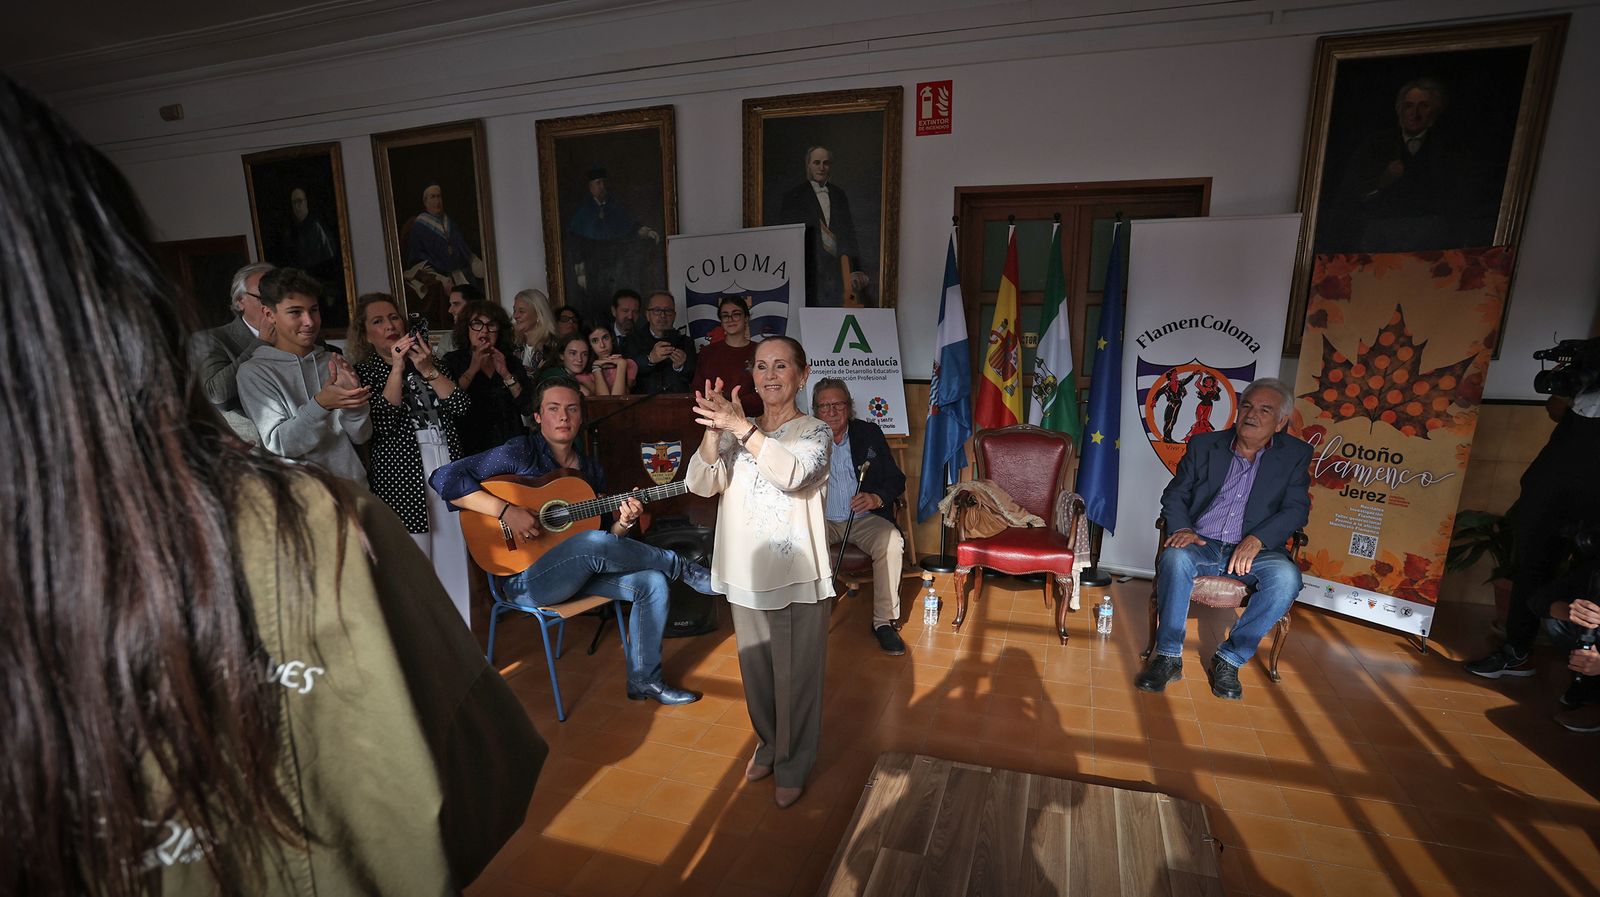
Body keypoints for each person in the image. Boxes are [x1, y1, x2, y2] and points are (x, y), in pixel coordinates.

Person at [1, 75, 542, 897]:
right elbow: (283, 438)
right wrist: (340, 402)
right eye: (291, 311)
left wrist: (391, 387)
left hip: (362, 487)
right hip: (331, 501)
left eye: (308, 312)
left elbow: (381, 427)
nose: (303, 321)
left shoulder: (339, 395)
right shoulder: (263, 387)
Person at [430, 377, 716, 705]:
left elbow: (607, 542)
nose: (563, 417)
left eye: (571, 409)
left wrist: (624, 522)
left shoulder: (589, 469)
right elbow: (443, 477)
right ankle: (682, 567)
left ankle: (644, 681)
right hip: (524, 580)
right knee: (594, 544)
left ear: (581, 417)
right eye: (553, 409)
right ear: (538, 417)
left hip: (577, 573)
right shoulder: (520, 452)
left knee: (651, 582)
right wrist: (506, 510)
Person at [686, 337, 834, 808]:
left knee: (797, 681)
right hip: (744, 574)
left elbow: (791, 474)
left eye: (782, 366)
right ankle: (770, 745)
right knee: (757, 676)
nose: (770, 375)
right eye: (762, 366)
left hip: (796, 575)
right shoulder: (733, 431)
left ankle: (794, 762)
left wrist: (741, 428)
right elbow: (700, 483)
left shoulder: (816, 432)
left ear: (802, 374)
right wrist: (714, 429)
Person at [1135, 378, 1311, 701]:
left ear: (1281, 421)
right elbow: (1176, 495)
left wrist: (1259, 538)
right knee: (1175, 557)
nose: (1251, 415)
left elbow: (1297, 509)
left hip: (1256, 550)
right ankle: (1169, 656)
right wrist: (1182, 527)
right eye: (1247, 406)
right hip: (1203, 541)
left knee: (1287, 578)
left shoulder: (1295, 456)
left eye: (1264, 410)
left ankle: (1230, 658)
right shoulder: (1205, 445)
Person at [1466, 383, 1600, 706]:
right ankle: (1516, 652)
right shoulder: (1591, 360)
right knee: (1532, 563)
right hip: (1558, 473)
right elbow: (1555, 407)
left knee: (1591, 583)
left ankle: (1586, 679)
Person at [348, 292, 474, 627]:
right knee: (414, 564)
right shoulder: (363, 373)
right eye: (378, 321)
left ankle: (460, 643)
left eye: (393, 317)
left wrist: (428, 369)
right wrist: (397, 368)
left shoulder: (431, 361)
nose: (389, 325)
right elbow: (382, 425)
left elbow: (461, 408)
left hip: (446, 465)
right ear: (365, 334)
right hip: (401, 476)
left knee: (453, 559)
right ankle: (425, 646)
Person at [1321, 77, 1497, 253]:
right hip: (1380, 238)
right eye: (1409, 106)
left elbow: (1462, 199)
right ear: (1400, 111)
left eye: (1424, 106)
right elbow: (1350, 195)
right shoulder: (1376, 145)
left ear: (1434, 112)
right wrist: (1383, 179)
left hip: (1433, 240)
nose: (1415, 113)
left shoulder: (1449, 149)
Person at [238, 267, 372, 481]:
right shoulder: (254, 372)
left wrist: (355, 403)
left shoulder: (333, 361)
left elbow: (361, 436)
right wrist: (321, 404)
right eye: (295, 312)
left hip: (354, 489)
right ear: (269, 314)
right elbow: (281, 445)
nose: (309, 321)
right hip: (305, 501)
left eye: (314, 310)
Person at [813, 379, 908, 655]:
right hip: (823, 519)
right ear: (816, 410)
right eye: (824, 406)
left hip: (864, 519)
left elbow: (895, 479)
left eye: (838, 404)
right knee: (797, 543)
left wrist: (876, 497)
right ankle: (809, 617)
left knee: (891, 543)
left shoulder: (868, 433)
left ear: (849, 407)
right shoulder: (807, 435)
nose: (831, 411)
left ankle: (884, 623)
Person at [188, 262, 275, 444]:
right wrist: (261, 343)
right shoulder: (211, 339)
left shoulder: (300, 334)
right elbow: (216, 393)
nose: (272, 305)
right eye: (263, 297)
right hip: (251, 447)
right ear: (239, 301)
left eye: (277, 297)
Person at [777, 145, 871, 307]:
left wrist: (855, 269)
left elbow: (849, 234)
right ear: (808, 165)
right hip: (807, 275)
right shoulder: (793, 196)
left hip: (838, 276)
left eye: (825, 163)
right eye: (816, 162)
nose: (821, 167)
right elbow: (787, 240)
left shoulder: (839, 195)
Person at [565, 167, 661, 321]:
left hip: (615, 263)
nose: (602, 186)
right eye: (598, 183)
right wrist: (580, 270)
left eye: (603, 182)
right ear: (590, 187)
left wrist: (646, 231)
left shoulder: (614, 205)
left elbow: (629, 224)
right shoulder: (584, 211)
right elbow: (577, 242)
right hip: (593, 266)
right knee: (596, 303)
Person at [442, 300, 535, 456]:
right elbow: (449, 406)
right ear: (466, 328)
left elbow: (527, 408)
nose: (484, 331)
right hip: (470, 450)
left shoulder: (511, 361)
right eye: (477, 324)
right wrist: (472, 369)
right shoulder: (452, 361)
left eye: (491, 325)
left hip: (511, 448)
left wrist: (506, 374)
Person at [402, 182, 484, 328]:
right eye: (433, 197)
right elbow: (417, 258)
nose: (437, 201)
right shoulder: (419, 226)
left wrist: (471, 259)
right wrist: (440, 276)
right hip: (434, 271)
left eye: (439, 196)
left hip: (457, 270)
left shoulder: (449, 222)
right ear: (426, 202)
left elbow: (461, 247)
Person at [692, 294, 762, 417]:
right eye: (725, 316)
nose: (730, 319)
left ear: (746, 317)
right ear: (721, 321)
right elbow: (698, 388)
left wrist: (730, 406)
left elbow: (764, 391)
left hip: (752, 420)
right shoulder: (707, 352)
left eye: (736, 314)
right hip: (715, 419)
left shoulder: (760, 351)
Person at [626, 290, 697, 394]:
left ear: (674, 315)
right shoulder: (633, 339)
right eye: (657, 310)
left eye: (668, 310)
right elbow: (627, 371)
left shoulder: (685, 341)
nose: (663, 315)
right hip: (643, 402)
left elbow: (695, 375)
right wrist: (650, 359)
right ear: (647, 315)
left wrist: (680, 366)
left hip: (677, 403)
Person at [510, 287, 559, 371]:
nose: (515, 316)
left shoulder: (553, 346)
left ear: (538, 314)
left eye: (521, 311)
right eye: (515, 310)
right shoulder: (512, 344)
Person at [586, 322, 637, 397]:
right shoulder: (584, 372)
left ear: (612, 338)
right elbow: (604, 401)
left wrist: (621, 364)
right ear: (589, 345)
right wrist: (596, 367)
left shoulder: (630, 364)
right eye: (595, 341)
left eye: (605, 337)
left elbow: (617, 399)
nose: (602, 345)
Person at [1155, 369, 1199, 443]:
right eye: (1175, 374)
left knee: (1173, 420)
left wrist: (1193, 374)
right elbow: (1159, 392)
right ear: (1171, 376)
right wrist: (1154, 401)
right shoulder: (1167, 386)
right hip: (1171, 403)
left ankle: (1168, 437)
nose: (1176, 374)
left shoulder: (1179, 383)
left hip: (1178, 403)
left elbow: (1187, 380)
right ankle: (1166, 438)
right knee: (1168, 420)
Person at [1186, 373, 1223, 440]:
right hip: (1201, 406)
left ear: (1212, 383)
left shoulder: (1214, 389)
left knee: (1205, 421)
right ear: (1204, 383)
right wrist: (1201, 375)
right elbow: (1197, 384)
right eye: (1206, 381)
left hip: (1209, 406)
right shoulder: (1203, 389)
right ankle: (1192, 437)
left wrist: (1210, 374)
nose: (1208, 383)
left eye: (1210, 382)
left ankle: (1206, 437)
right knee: (1199, 421)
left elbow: (1216, 380)